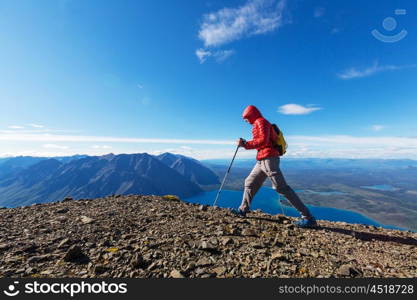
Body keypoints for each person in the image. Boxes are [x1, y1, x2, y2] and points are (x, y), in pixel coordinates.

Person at [233, 105, 317, 228]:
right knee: (250, 182)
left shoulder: (261, 122)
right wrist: (246, 143)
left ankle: (308, 218)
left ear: (250, 115)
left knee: (281, 188)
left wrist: (245, 144)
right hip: (262, 160)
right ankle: (243, 209)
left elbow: (263, 141)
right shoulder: (258, 123)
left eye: (245, 118)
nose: (245, 121)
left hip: (268, 159)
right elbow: (261, 141)